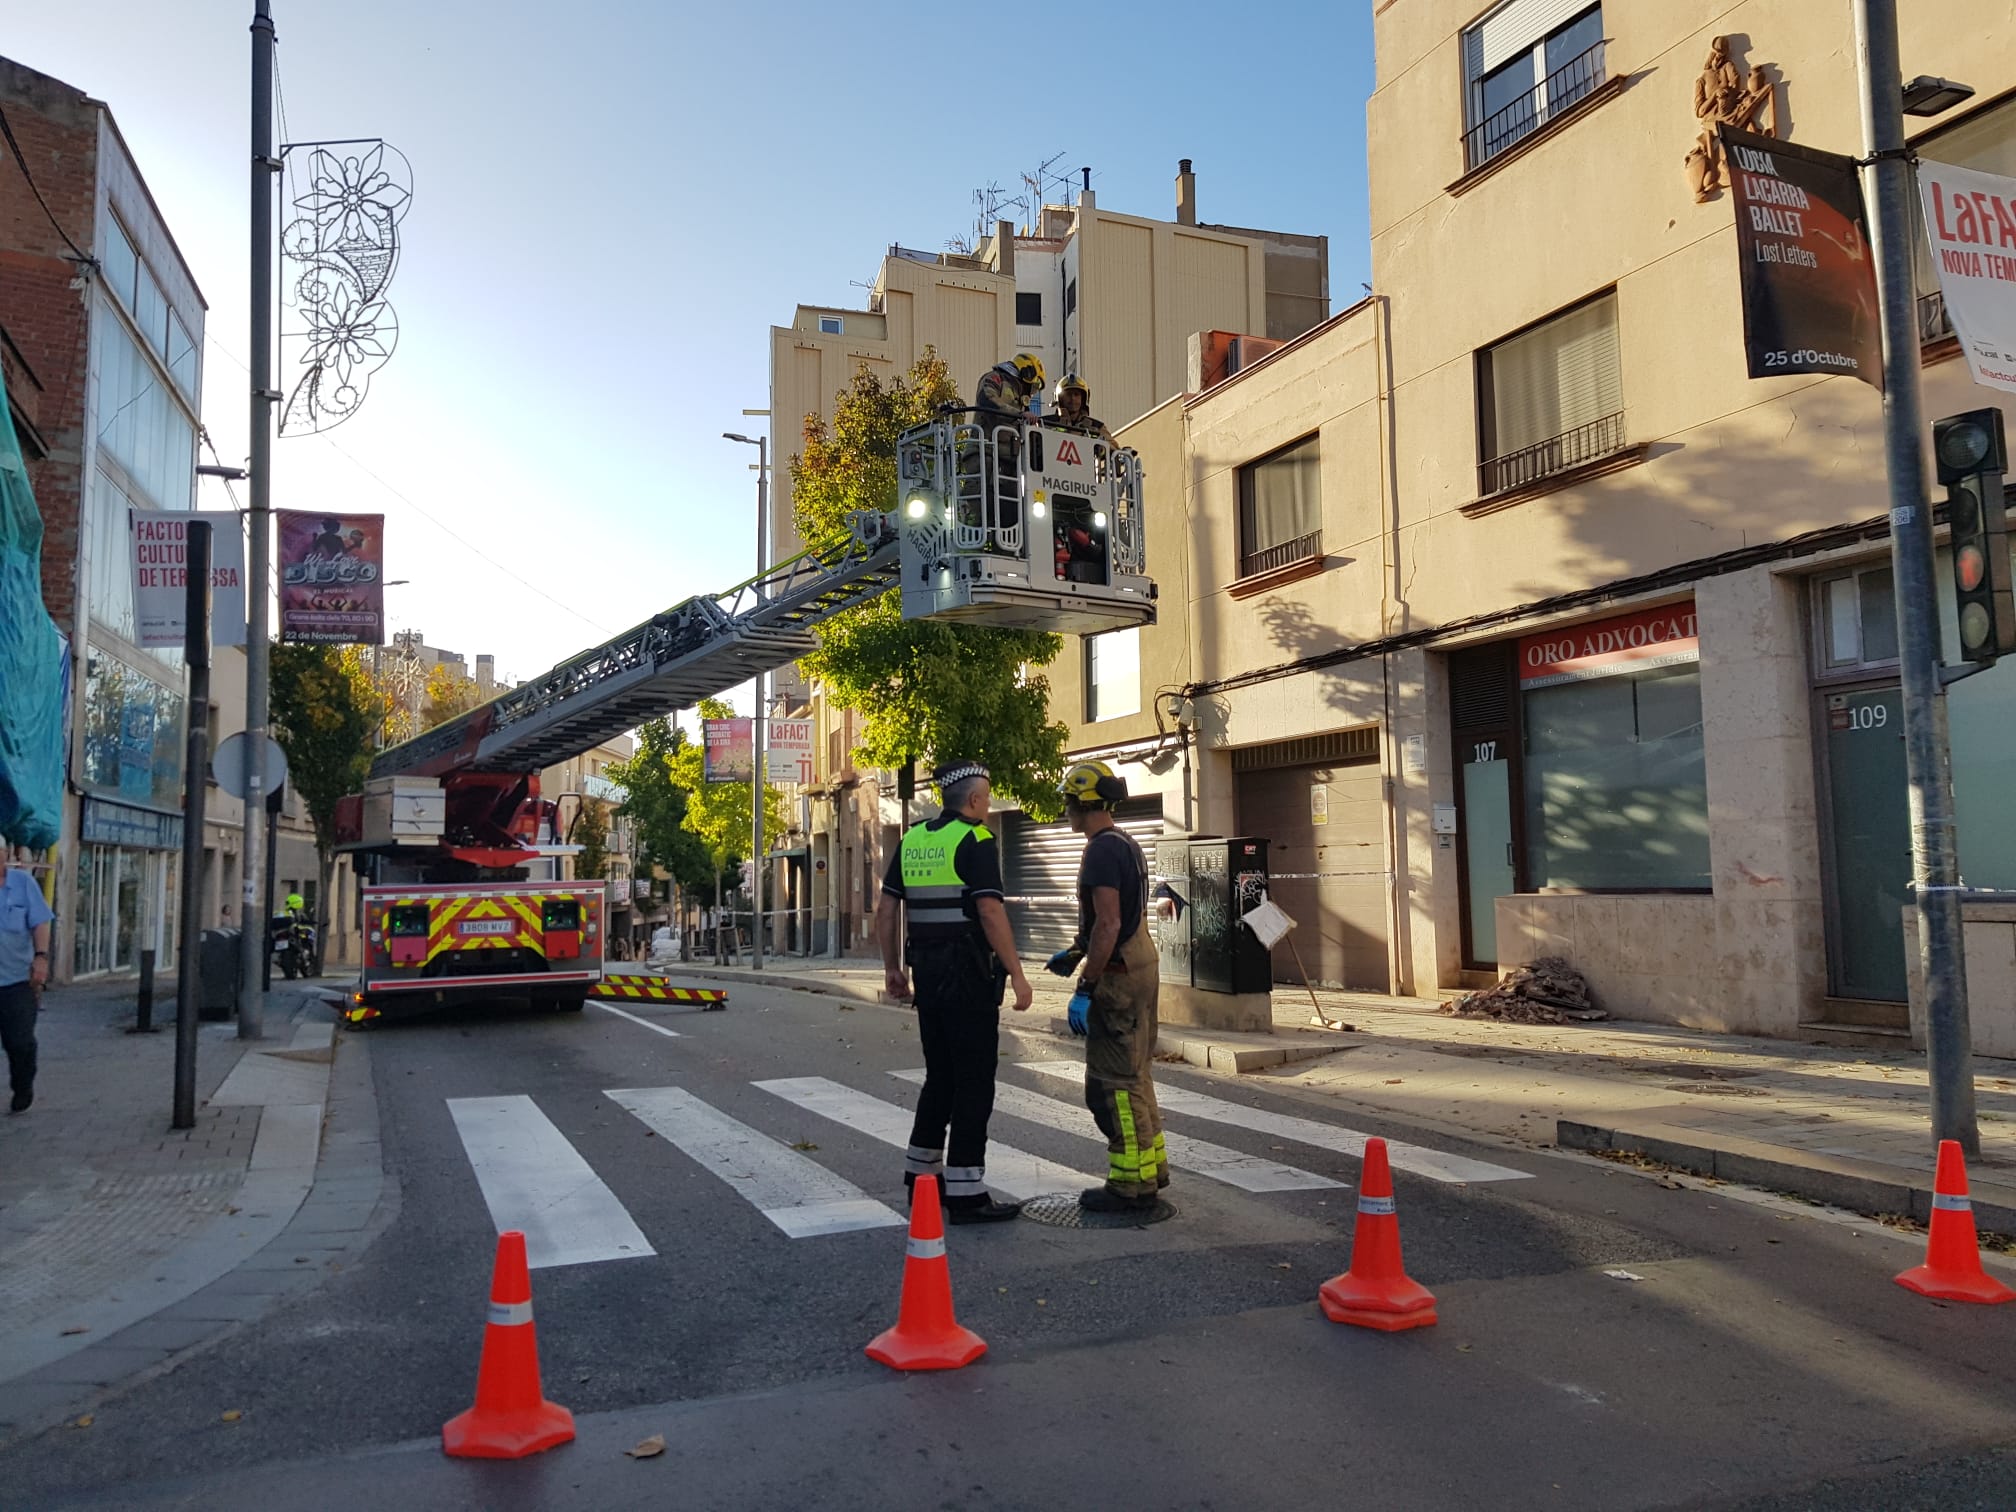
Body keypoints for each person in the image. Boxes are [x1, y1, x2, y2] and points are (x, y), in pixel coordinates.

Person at [877, 760, 1034, 1224]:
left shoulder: (912, 839)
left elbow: (886, 908)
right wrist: (1018, 974)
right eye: (986, 797)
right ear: (973, 800)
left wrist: (891, 969)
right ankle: (967, 1194)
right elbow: (989, 911)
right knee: (973, 1082)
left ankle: (921, 1179)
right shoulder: (977, 839)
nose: (987, 804)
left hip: (927, 976)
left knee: (940, 1076)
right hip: (969, 978)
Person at [1049, 760, 1165, 1213]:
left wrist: (1085, 983)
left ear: (1083, 803)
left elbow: (1110, 921)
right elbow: (1111, 920)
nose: (1066, 811)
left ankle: (1128, 1185)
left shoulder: (1099, 850)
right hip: (1140, 962)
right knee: (1137, 1077)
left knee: (1113, 1084)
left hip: (1117, 976)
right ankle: (1152, 1171)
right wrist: (1077, 949)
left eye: (1069, 803)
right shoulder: (1127, 843)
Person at [0, 849, 54, 1114]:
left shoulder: (23, 883)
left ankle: (23, 1086)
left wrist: (41, 958)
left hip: (17, 980)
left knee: (19, 1042)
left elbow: (41, 922)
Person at [1050, 374, 1115, 446]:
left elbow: (1114, 449)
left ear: (1083, 399)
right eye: (1068, 394)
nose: (1073, 398)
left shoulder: (1097, 427)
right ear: (1060, 399)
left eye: (1076, 394)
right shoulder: (1045, 424)